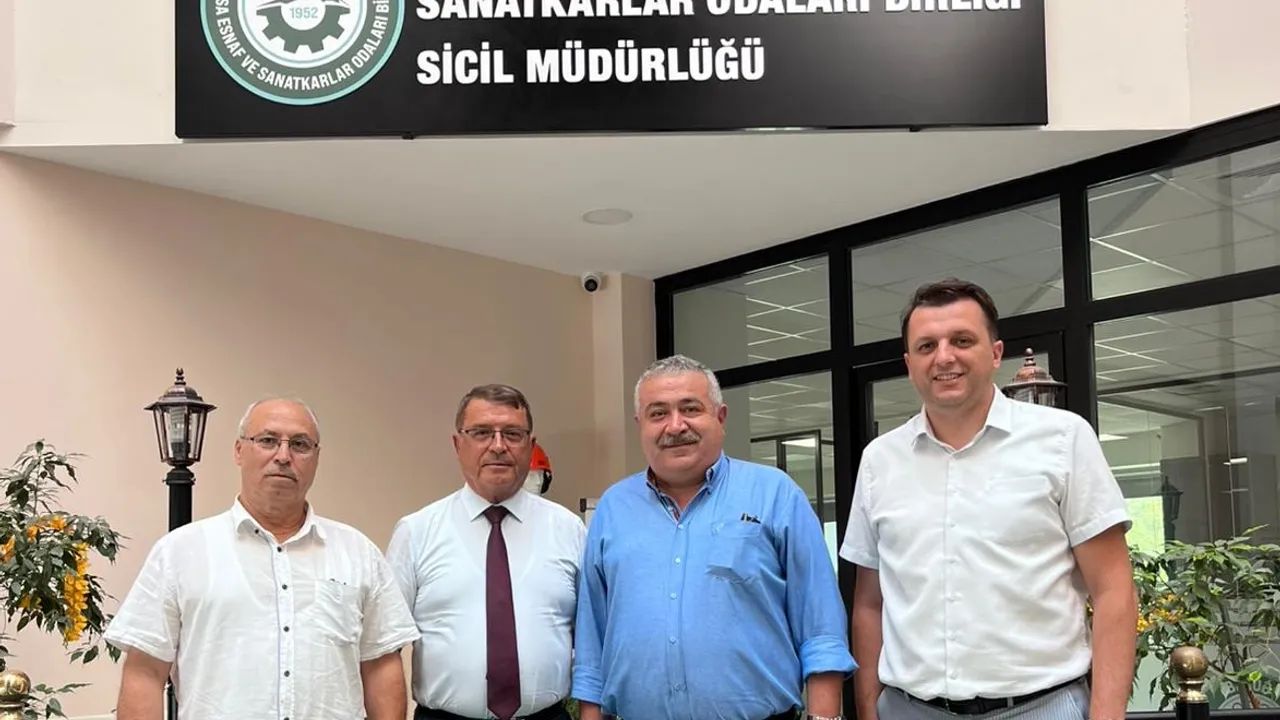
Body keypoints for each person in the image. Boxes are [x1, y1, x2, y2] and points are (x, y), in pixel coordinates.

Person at [840, 278, 1138, 720]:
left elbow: (1113, 590)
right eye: (926, 346)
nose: (944, 357)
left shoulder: (1063, 440)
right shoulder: (879, 461)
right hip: (908, 709)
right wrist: (868, 710)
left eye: (962, 340)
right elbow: (870, 603)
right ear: (909, 363)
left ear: (996, 353)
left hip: (1041, 708)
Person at [572, 355, 856, 720]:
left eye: (690, 409)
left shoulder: (775, 495)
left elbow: (821, 627)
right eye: (658, 413)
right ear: (640, 424)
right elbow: (592, 639)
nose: (676, 425)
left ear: (720, 417)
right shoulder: (613, 508)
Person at [105, 397, 420, 720]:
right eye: (268, 440)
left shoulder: (357, 554)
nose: (283, 456)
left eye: (300, 444)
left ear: (316, 457)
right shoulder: (180, 553)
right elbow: (145, 673)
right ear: (238, 450)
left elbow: (381, 665)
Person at [386, 384, 586, 720]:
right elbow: (384, 647)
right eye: (481, 433)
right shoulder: (416, 532)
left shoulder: (569, 530)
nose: (498, 446)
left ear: (530, 445)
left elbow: (593, 642)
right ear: (457, 444)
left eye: (512, 434)